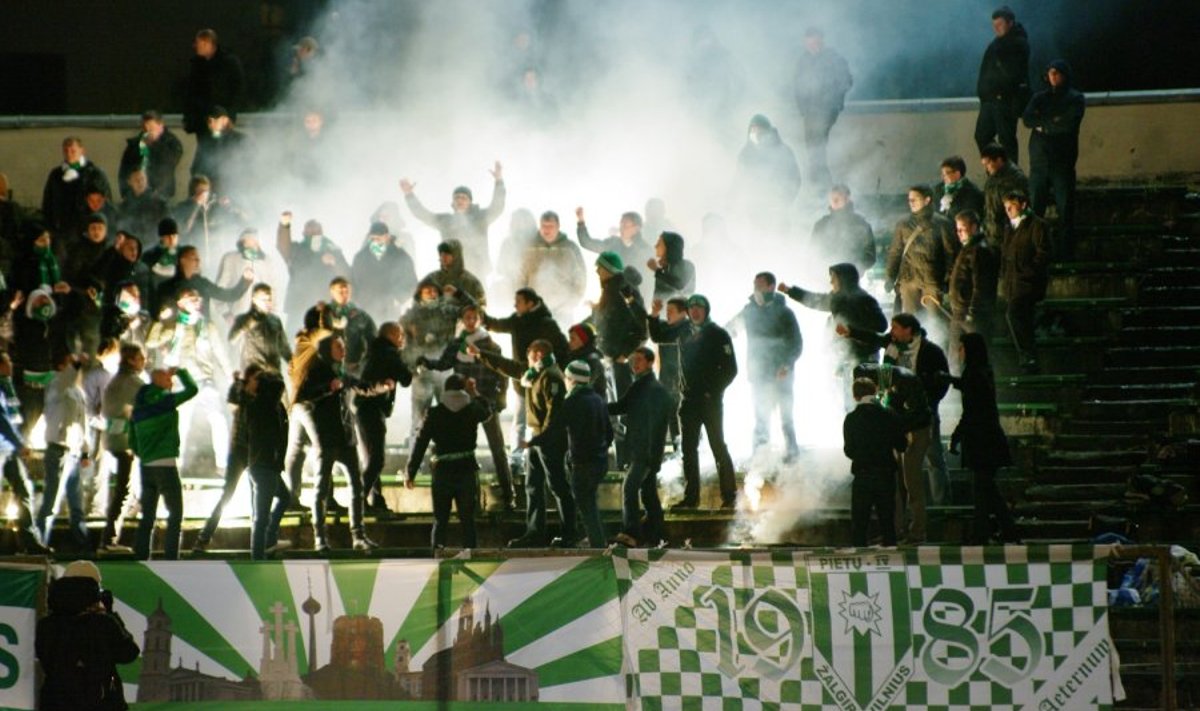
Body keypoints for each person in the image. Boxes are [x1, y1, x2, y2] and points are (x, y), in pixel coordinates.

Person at [840, 312, 951, 508]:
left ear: (908, 330)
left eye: (896, 327)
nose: (892, 332)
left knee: (933, 456)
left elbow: (942, 381)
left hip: (923, 411)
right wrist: (850, 332)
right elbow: (873, 337)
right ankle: (902, 505)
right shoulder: (892, 346)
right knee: (898, 462)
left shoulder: (931, 351)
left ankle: (940, 500)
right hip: (896, 412)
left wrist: (929, 402)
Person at [477, 338, 575, 547]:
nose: (526, 360)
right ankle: (534, 532)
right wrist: (481, 354)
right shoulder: (534, 374)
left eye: (530, 355)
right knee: (533, 485)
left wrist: (538, 440)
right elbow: (507, 366)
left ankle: (570, 534)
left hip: (549, 441)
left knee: (558, 486)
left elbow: (554, 414)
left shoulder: (551, 376)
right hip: (537, 439)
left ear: (538, 355)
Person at [293, 334, 380, 551]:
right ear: (327, 349)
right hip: (326, 437)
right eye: (338, 346)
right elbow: (304, 396)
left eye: (343, 345)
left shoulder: (342, 371)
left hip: (345, 437)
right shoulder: (317, 371)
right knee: (321, 487)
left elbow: (360, 386)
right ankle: (320, 538)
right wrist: (327, 388)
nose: (343, 349)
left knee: (357, 486)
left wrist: (381, 387)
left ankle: (358, 535)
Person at [421, 305, 512, 510]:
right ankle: (471, 497)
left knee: (497, 447)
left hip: (485, 399)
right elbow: (444, 363)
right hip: (462, 403)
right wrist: (427, 362)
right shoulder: (456, 344)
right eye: (467, 318)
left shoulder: (489, 344)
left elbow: (501, 371)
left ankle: (508, 494)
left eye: (474, 318)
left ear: (479, 320)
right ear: (463, 320)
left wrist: (501, 397)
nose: (471, 321)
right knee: (464, 448)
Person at [144, 286, 233, 473]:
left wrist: (231, 377)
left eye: (198, 298)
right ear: (180, 303)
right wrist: (159, 320)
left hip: (206, 381)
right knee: (181, 424)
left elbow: (221, 354)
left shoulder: (207, 327)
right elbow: (151, 342)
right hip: (181, 383)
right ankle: (176, 465)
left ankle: (223, 466)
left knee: (218, 420)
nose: (197, 301)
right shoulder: (174, 327)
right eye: (191, 298)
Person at [483, 287, 569, 472]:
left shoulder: (547, 324)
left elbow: (563, 348)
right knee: (520, 421)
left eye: (519, 302)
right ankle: (516, 460)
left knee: (543, 420)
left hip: (543, 383)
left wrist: (557, 373)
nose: (515, 305)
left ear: (530, 303)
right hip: (522, 380)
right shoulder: (517, 321)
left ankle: (544, 455)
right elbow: (494, 324)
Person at [35, 560, 140, 711]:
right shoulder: (102, 624)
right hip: (100, 702)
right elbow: (129, 653)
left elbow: (46, 661)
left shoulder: (46, 625)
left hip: (56, 701)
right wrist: (111, 614)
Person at [780, 263, 887, 407]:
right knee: (848, 403)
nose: (831, 282)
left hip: (863, 358)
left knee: (865, 402)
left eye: (834, 278)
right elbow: (815, 300)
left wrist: (852, 329)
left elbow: (881, 325)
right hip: (844, 358)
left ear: (844, 279)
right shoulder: (837, 298)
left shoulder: (863, 300)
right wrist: (790, 291)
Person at [405, 374, 492, 550]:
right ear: (463, 389)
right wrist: (474, 392)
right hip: (467, 468)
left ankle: (437, 556)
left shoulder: (435, 413)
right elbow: (488, 412)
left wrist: (411, 471)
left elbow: (420, 442)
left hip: (442, 471)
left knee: (440, 520)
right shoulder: (473, 409)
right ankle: (471, 556)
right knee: (468, 520)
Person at [947, 332, 1019, 543]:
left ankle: (984, 533)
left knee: (982, 490)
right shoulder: (982, 371)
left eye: (961, 349)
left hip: (981, 442)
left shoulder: (974, 374)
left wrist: (956, 435)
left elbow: (971, 409)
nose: (959, 353)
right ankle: (1005, 531)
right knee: (987, 489)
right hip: (988, 439)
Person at [851, 362, 931, 544]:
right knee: (895, 485)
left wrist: (894, 427)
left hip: (916, 431)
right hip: (902, 432)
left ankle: (918, 531)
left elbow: (917, 413)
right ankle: (896, 531)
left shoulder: (904, 380)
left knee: (911, 483)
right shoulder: (888, 381)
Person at [726, 272, 802, 461]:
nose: (756, 289)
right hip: (759, 375)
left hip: (781, 374)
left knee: (786, 419)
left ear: (771, 287)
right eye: (755, 285)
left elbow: (796, 343)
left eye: (760, 285)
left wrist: (787, 364)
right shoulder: (749, 311)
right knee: (761, 418)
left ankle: (792, 456)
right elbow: (728, 329)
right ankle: (760, 459)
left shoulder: (785, 313)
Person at [130, 365, 199, 560]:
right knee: (175, 513)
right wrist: (181, 372)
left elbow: (131, 439)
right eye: (168, 380)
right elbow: (192, 390)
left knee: (148, 516)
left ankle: (141, 557)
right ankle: (171, 558)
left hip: (146, 466)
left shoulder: (139, 405)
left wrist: (144, 453)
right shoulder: (167, 401)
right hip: (166, 465)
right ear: (159, 381)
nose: (171, 383)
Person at [676, 295, 738, 509]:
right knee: (688, 450)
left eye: (699, 308)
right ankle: (691, 498)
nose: (695, 311)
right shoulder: (682, 333)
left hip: (710, 402)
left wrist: (713, 391)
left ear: (706, 310)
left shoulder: (718, 334)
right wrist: (654, 315)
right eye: (691, 307)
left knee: (718, 446)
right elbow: (658, 334)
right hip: (688, 401)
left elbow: (731, 369)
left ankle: (729, 497)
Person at [606, 346, 672, 547]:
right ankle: (657, 532)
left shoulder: (653, 389)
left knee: (629, 487)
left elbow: (656, 426)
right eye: (633, 360)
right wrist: (597, 406)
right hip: (643, 451)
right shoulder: (641, 386)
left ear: (650, 363)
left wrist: (651, 455)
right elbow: (621, 406)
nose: (634, 364)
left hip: (645, 452)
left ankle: (631, 533)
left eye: (640, 360)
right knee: (649, 493)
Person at [1023, 59, 1086, 257]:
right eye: (1050, 73)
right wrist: (1053, 121)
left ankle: (1066, 252)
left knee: (1065, 209)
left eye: (1057, 73)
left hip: (1062, 161)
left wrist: (1044, 124)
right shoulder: (1040, 97)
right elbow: (1027, 118)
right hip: (1040, 161)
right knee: (1035, 209)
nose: (1053, 77)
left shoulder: (1075, 97)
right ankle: (1035, 250)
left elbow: (1069, 122)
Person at [400, 162, 506, 278]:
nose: (460, 200)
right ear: (453, 202)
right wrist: (409, 194)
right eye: (457, 198)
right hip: (450, 271)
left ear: (470, 202)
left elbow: (497, 207)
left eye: (464, 198)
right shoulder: (445, 221)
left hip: (477, 271)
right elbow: (422, 214)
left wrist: (499, 181)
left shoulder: (480, 218)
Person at [552, 360, 612, 547]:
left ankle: (598, 546)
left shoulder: (572, 401)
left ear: (571, 380)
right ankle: (596, 541)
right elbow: (609, 432)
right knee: (590, 503)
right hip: (599, 461)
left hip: (583, 462)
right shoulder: (598, 399)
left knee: (586, 506)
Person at [356, 322, 413, 516]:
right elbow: (406, 378)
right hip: (373, 409)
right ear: (391, 335)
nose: (402, 339)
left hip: (363, 408)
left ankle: (376, 501)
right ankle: (359, 500)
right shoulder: (389, 352)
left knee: (370, 459)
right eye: (400, 335)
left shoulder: (372, 351)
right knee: (377, 459)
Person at [37, 352, 92, 552]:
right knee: (51, 502)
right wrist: (77, 363)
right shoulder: (56, 386)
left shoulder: (77, 392)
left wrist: (85, 451)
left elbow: (83, 424)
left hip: (74, 453)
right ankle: (40, 543)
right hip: (58, 451)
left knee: (77, 506)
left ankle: (84, 545)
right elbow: (65, 379)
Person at [843, 378, 905, 547]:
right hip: (886, 473)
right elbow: (902, 444)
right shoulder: (889, 415)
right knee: (887, 523)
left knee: (860, 525)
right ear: (875, 391)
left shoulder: (851, 418)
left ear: (855, 396)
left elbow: (849, 450)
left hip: (863, 474)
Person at [792, 27, 853, 189]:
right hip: (810, 112)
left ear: (822, 41)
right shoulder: (803, 61)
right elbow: (797, 86)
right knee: (812, 147)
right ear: (805, 43)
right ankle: (817, 183)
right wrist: (802, 108)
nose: (813, 46)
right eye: (810, 43)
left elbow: (846, 81)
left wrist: (832, 102)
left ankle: (821, 184)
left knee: (817, 146)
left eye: (816, 42)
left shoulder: (833, 58)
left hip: (826, 109)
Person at [98, 343, 145, 553]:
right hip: (125, 441)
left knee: (124, 489)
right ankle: (109, 539)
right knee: (123, 490)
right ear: (131, 360)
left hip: (114, 439)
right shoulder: (132, 382)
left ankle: (110, 537)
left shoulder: (116, 380)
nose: (144, 361)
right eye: (140, 358)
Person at [241, 367, 292, 558]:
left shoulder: (273, 407)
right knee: (261, 517)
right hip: (263, 465)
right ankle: (258, 557)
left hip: (267, 465)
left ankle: (269, 540)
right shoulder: (263, 406)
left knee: (284, 498)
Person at [0, 352, 48, 554]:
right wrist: (20, 444)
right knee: (23, 491)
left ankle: (30, 541)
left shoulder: (7, 387)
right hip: (5, 448)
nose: (11, 365)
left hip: (8, 450)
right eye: (8, 362)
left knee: (24, 491)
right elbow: (2, 420)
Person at [884, 185, 957, 317]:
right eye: (909, 199)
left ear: (927, 200)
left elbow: (950, 253)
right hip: (910, 280)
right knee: (910, 321)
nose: (911, 202)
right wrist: (890, 276)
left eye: (915, 199)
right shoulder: (903, 224)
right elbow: (895, 252)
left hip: (932, 281)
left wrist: (948, 279)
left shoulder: (941, 224)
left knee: (934, 320)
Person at [1000, 190, 1051, 373]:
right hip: (1013, 283)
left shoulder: (1037, 225)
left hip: (1028, 284)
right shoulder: (1010, 227)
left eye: (1011, 206)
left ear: (1023, 205)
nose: (1008, 210)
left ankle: (1027, 356)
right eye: (1006, 207)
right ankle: (1029, 358)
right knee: (1022, 320)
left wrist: (1027, 272)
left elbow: (1043, 253)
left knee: (1014, 315)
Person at [975, 6, 1030, 165]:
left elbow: (1014, 74)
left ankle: (1010, 177)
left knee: (1006, 140)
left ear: (1010, 23)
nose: (996, 28)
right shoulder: (996, 44)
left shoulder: (1019, 43)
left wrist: (1001, 92)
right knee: (982, 135)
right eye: (994, 25)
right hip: (989, 100)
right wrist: (983, 94)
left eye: (1000, 24)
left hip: (1005, 101)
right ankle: (995, 169)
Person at [276, 212, 351, 327]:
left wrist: (334, 263)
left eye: (316, 231)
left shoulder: (333, 250)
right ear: (304, 233)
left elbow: (346, 276)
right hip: (299, 304)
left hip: (324, 304)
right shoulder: (297, 250)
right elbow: (283, 245)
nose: (314, 234)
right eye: (310, 231)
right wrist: (284, 226)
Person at [947, 210, 1000, 363]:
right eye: (957, 229)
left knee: (974, 357)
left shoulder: (979, 251)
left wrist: (972, 311)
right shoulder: (970, 248)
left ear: (974, 227)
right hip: (962, 312)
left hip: (971, 315)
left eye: (962, 229)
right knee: (958, 357)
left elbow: (981, 286)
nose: (958, 233)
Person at [518, 211, 587, 326]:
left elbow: (581, 279)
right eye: (544, 226)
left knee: (561, 342)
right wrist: (524, 304)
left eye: (550, 226)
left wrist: (570, 304)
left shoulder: (570, 248)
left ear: (558, 226)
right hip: (534, 311)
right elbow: (520, 278)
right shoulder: (529, 248)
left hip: (563, 312)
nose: (547, 230)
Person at [41, 137, 112, 248]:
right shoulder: (55, 175)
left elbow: (106, 203)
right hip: (61, 234)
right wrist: (49, 228)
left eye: (73, 151)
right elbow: (47, 203)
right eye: (66, 151)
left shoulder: (95, 174)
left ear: (82, 151)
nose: (69, 154)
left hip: (88, 233)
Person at [734, 114, 802, 231]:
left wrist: (784, 203)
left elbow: (794, 179)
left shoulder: (783, 152)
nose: (755, 133)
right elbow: (739, 181)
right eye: (752, 129)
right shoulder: (746, 154)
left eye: (758, 129)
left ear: (767, 130)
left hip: (778, 212)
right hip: (754, 214)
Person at [153, 244, 253, 320]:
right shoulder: (167, 287)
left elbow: (228, 296)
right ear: (182, 260)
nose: (198, 262)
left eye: (198, 259)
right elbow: (159, 312)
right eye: (194, 258)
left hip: (202, 335)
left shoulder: (202, 284)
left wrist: (245, 281)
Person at [575, 206, 653, 296]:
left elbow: (649, 281)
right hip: (613, 296)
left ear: (637, 228)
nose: (621, 228)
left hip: (636, 299)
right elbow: (587, 243)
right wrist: (581, 221)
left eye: (625, 225)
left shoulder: (645, 251)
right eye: (621, 224)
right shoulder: (613, 243)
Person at [214, 228, 285, 325]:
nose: (254, 246)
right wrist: (225, 313)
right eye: (249, 243)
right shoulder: (231, 259)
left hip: (262, 318)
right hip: (238, 316)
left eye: (256, 243)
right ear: (242, 244)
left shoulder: (267, 261)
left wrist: (274, 315)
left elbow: (274, 289)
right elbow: (220, 289)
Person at [647, 296, 691, 451]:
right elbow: (656, 335)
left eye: (671, 311)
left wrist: (654, 316)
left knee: (683, 416)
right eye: (667, 311)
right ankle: (677, 449)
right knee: (672, 415)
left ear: (683, 313)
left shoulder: (686, 328)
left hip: (682, 379)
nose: (668, 314)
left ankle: (685, 450)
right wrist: (654, 314)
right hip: (668, 378)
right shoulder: (668, 327)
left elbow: (659, 336)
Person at [351, 221, 418, 322]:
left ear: (387, 237)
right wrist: (358, 301)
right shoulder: (360, 257)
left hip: (390, 309)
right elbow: (353, 281)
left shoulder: (400, 256)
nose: (375, 242)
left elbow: (411, 282)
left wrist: (398, 299)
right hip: (366, 307)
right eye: (372, 239)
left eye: (379, 238)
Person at [183, 28, 245, 137]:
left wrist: (230, 115)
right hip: (202, 123)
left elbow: (238, 90)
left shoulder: (229, 62)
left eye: (198, 43)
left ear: (207, 43)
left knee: (222, 149)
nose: (195, 46)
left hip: (222, 120)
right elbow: (191, 94)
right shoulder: (197, 66)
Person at [809, 184, 875, 275]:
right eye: (832, 198)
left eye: (838, 198)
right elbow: (812, 252)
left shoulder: (861, 225)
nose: (834, 201)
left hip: (851, 280)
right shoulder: (821, 225)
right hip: (824, 277)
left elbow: (870, 255)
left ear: (847, 199)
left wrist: (855, 268)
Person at [118, 110, 184, 200]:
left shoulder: (171, 142)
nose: (147, 132)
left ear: (160, 126)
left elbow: (170, 162)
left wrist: (154, 144)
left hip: (160, 194)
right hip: (136, 194)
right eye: (145, 129)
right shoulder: (137, 144)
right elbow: (124, 170)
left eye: (151, 129)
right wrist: (126, 192)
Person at [228, 283, 291, 371]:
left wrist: (293, 363)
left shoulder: (275, 321)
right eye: (264, 300)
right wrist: (246, 325)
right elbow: (232, 339)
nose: (268, 303)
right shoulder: (243, 319)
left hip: (274, 375)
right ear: (254, 300)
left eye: (269, 299)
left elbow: (283, 347)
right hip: (254, 376)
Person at [190, 106, 250, 195]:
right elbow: (196, 168)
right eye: (209, 121)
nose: (210, 124)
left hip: (234, 194)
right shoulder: (206, 141)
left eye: (214, 120)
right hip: (210, 194)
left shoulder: (240, 140)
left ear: (224, 120)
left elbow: (249, 168)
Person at [324, 276, 377, 376]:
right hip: (329, 369)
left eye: (347, 291)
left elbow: (373, 340)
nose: (345, 295)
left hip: (354, 367)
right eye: (341, 292)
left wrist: (365, 363)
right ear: (332, 292)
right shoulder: (324, 315)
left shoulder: (360, 315)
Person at [980, 143, 1029, 243]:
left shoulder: (1014, 179)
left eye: (988, 163)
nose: (986, 168)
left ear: (999, 160)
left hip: (1007, 236)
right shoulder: (992, 178)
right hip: (992, 234)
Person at [421, 239, 487, 308]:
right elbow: (418, 304)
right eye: (441, 253)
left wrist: (458, 294)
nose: (443, 256)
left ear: (456, 255)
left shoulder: (471, 282)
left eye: (447, 253)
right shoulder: (432, 279)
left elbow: (481, 309)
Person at [932, 156, 986, 224]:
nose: (942, 177)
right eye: (942, 174)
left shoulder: (972, 193)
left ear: (957, 174)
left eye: (946, 174)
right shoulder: (938, 189)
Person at [647, 232, 695, 301]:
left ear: (669, 247)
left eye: (659, 243)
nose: (655, 246)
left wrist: (657, 270)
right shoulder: (664, 268)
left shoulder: (687, 265)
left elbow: (679, 285)